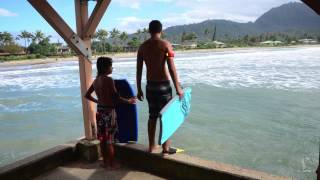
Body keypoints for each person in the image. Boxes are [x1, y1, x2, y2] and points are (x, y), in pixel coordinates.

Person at [136, 20, 184, 154]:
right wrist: (178, 88)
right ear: (161, 31)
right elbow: (172, 68)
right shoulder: (166, 45)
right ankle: (165, 148)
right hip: (163, 86)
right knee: (166, 117)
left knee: (152, 116)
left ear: (149, 31)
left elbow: (139, 69)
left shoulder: (142, 47)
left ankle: (151, 147)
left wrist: (139, 88)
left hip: (150, 87)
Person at [85, 57, 136, 169]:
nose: (112, 68)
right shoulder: (109, 80)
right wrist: (129, 101)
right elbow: (116, 97)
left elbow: (87, 95)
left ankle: (105, 162)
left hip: (100, 112)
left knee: (102, 139)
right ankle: (112, 164)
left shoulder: (96, 80)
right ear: (105, 67)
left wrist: (98, 101)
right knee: (110, 140)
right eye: (111, 66)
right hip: (109, 112)